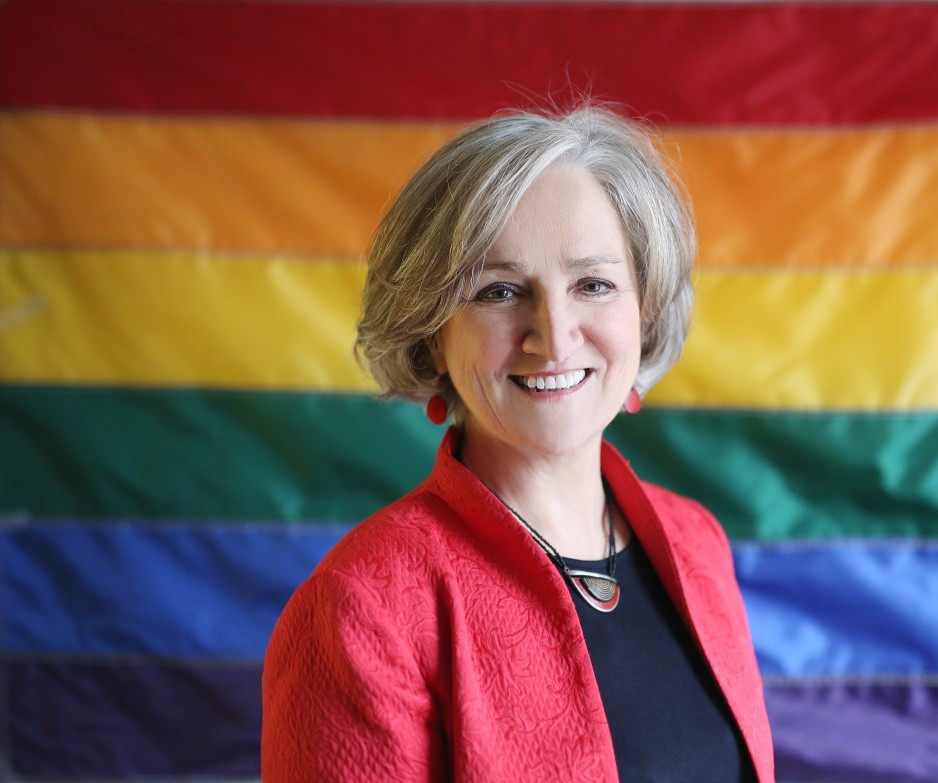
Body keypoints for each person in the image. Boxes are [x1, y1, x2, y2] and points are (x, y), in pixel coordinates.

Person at [261, 105, 774, 782]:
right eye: (500, 290)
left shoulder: (695, 542)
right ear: (431, 332)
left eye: (593, 284)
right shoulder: (362, 611)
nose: (554, 335)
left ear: (643, 310)